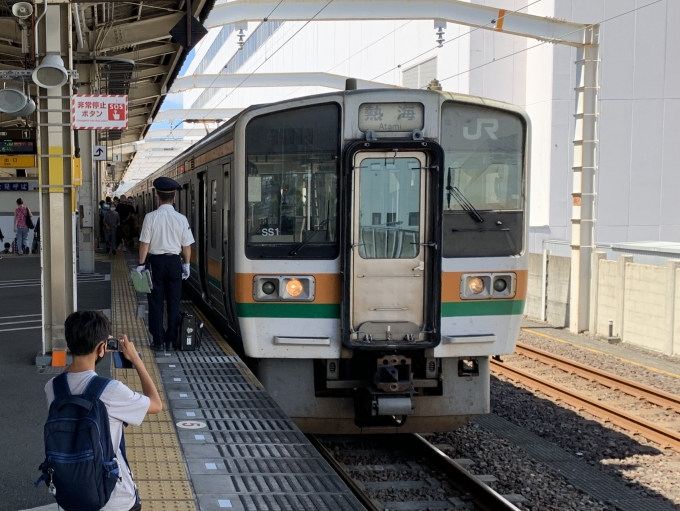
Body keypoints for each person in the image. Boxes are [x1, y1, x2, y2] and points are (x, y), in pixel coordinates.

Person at [44, 310, 162, 511]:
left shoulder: (52, 387)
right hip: (115, 499)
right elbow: (156, 404)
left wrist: (96, 349)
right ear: (102, 348)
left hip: (71, 496)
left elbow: (69, 379)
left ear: (68, 344)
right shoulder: (111, 390)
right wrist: (136, 359)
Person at [137, 177, 194, 351]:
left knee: (155, 302)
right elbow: (187, 246)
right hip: (174, 262)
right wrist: (186, 265)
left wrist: (141, 264)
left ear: (157, 196)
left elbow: (144, 244)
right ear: (174, 197)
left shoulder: (150, 217)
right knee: (174, 302)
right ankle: (171, 340)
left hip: (155, 263)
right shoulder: (181, 219)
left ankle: (158, 341)